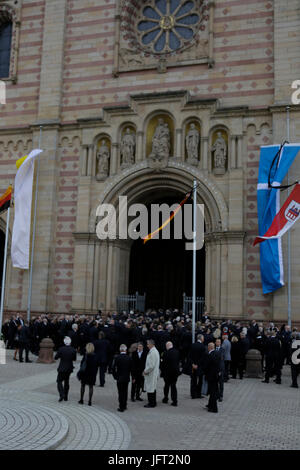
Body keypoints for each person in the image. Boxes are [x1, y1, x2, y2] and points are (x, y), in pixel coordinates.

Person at [55, 336, 77, 402]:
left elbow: (56, 357)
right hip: (69, 368)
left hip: (62, 367)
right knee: (66, 382)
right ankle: (66, 396)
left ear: (64, 342)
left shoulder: (61, 349)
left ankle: (62, 394)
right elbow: (74, 359)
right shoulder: (73, 350)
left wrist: (60, 355)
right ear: (70, 342)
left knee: (59, 381)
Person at [112, 344, 132, 412]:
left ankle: (121, 406)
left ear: (120, 350)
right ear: (126, 350)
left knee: (120, 392)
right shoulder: (129, 358)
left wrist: (115, 376)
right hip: (126, 377)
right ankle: (125, 405)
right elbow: (131, 368)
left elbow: (113, 368)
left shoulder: (117, 357)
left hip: (119, 378)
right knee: (125, 391)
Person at [161, 341, 180, 406]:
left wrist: (162, 372)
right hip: (175, 373)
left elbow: (163, 364)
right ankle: (175, 401)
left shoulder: (165, 353)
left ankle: (165, 398)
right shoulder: (177, 352)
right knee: (173, 386)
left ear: (167, 346)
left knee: (166, 386)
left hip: (167, 373)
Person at [204, 342, 221, 413]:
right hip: (216, 376)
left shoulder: (209, 355)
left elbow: (207, 366)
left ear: (209, 347)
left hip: (211, 376)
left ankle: (214, 408)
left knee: (212, 392)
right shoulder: (217, 353)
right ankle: (210, 405)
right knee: (213, 391)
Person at [143, 339, 160, 408]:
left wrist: (145, 371)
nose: (147, 345)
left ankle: (151, 403)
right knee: (152, 388)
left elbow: (151, 365)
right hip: (153, 373)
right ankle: (153, 402)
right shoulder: (154, 351)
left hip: (151, 373)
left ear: (151, 344)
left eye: (148, 344)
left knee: (150, 388)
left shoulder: (153, 352)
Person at [189, 334, 206, 399]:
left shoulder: (192, 345)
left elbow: (189, 356)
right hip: (200, 366)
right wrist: (197, 365)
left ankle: (193, 394)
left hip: (193, 366)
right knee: (200, 380)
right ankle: (198, 394)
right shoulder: (203, 346)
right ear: (201, 339)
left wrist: (193, 364)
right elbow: (202, 358)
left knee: (193, 380)